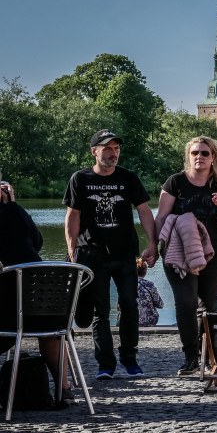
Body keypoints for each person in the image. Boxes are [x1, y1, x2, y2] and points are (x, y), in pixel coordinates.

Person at [63, 129, 157, 381]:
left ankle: (130, 359)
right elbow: (73, 216)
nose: (113, 153)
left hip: (125, 253)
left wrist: (153, 242)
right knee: (100, 311)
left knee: (129, 305)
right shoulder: (80, 179)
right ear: (94, 151)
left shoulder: (128, 178)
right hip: (91, 254)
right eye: (107, 148)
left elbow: (144, 211)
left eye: (116, 149)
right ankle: (106, 364)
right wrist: (72, 250)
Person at [155, 136, 217, 376]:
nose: (199, 157)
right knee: (186, 303)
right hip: (178, 252)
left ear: (213, 157)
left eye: (204, 153)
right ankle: (190, 356)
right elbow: (161, 218)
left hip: (215, 253)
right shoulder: (175, 183)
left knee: (208, 307)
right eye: (195, 153)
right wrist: (153, 246)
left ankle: (206, 354)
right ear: (188, 156)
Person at [0, 181, 75, 405]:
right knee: (51, 329)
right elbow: (38, 241)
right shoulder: (18, 214)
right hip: (47, 314)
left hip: (6, 320)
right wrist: (13, 205)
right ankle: (65, 389)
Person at [117, 258, 164, 327]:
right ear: (145, 271)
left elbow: (119, 307)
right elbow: (160, 305)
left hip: (128, 321)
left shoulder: (125, 285)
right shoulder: (149, 285)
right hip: (148, 321)